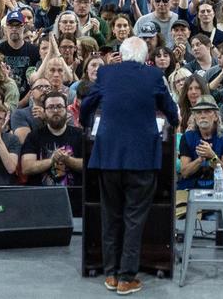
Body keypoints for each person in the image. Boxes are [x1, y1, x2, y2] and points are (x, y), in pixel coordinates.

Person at [80, 37, 179, 295]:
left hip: (109, 156)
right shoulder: (154, 75)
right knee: (134, 218)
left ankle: (111, 274)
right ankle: (127, 277)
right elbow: (171, 112)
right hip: (142, 159)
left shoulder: (106, 72)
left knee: (110, 215)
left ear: (121, 56)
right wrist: (173, 120)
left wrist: (85, 122)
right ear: (146, 57)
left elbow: (88, 104)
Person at [20, 91, 85, 187]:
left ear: (66, 109)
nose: (55, 111)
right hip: (42, 196)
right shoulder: (33, 136)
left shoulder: (79, 135)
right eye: (50, 107)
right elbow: (26, 168)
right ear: (44, 111)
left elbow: (88, 166)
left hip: (74, 196)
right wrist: (51, 160)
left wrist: (68, 160)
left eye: (59, 106)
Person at [178, 95, 223, 190]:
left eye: (207, 112)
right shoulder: (186, 137)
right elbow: (185, 173)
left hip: (220, 191)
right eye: (198, 112)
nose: (202, 116)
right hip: (190, 190)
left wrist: (212, 156)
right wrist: (200, 160)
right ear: (194, 117)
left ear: (215, 116)